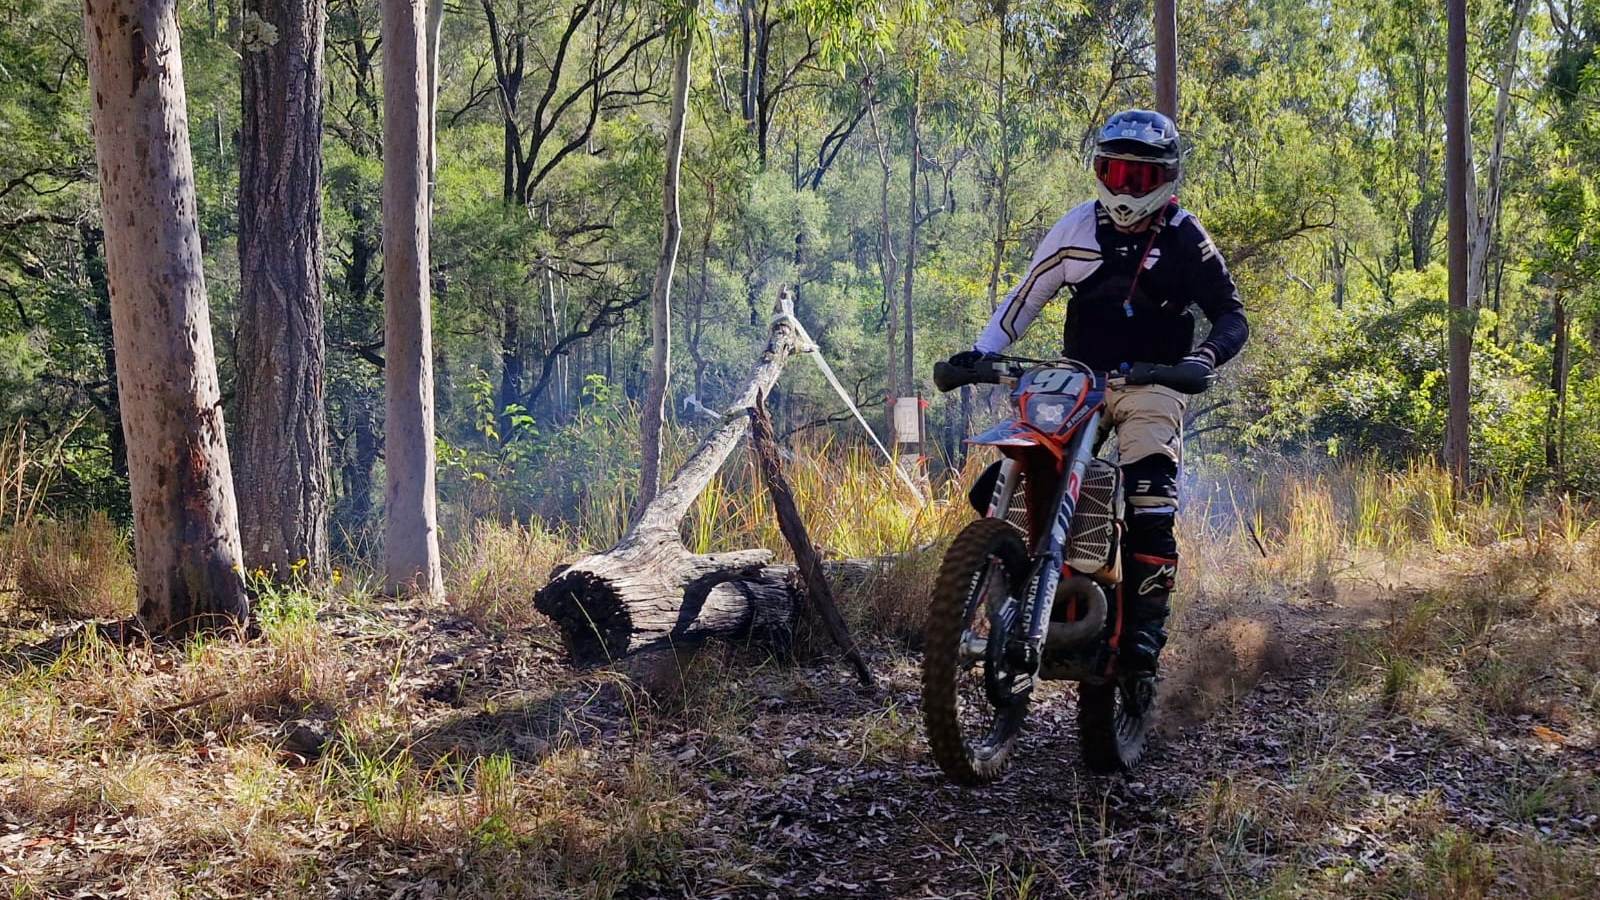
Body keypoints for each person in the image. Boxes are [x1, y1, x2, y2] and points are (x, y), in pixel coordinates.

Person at [946, 109, 1249, 678]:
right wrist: (981, 352)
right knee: (1005, 477)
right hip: (1079, 375)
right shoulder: (1076, 227)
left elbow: (1231, 315)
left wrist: (1201, 360)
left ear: (1166, 178)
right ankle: (1028, 591)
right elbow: (1026, 296)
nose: (1125, 190)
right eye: (1115, 173)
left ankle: (1143, 636)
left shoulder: (1186, 237)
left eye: (1139, 178)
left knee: (1150, 498)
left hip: (1153, 381)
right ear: (1098, 171)